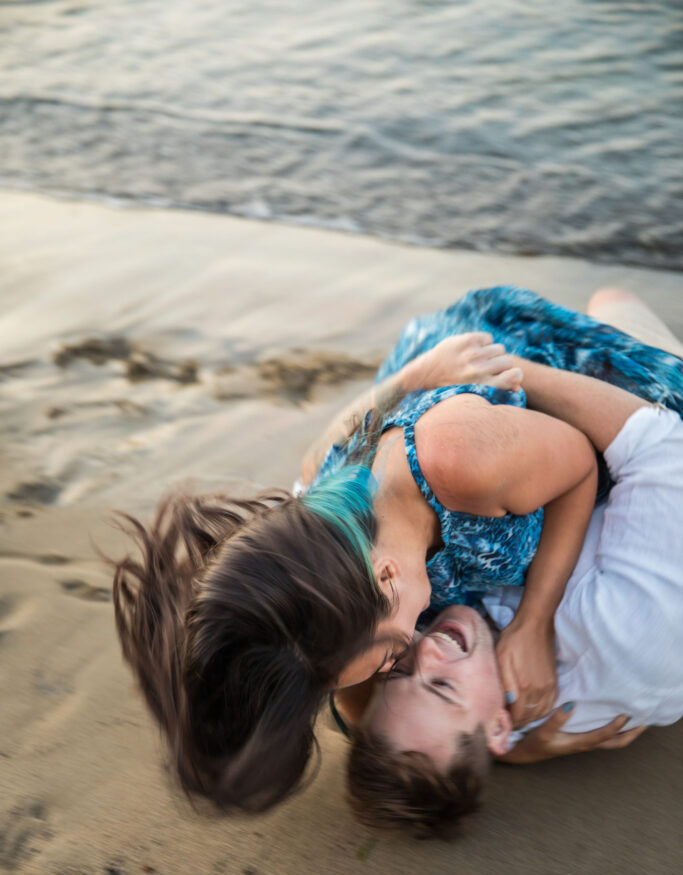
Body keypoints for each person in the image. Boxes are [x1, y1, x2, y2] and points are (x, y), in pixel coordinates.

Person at [110, 286, 683, 814]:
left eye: (391, 659)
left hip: (523, 378)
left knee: (635, 336)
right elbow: (325, 450)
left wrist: (534, 621)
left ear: (386, 579)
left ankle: (621, 312)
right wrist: (407, 379)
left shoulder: (462, 463)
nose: (414, 651)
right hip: (428, 393)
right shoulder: (324, 544)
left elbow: (580, 464)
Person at [345, 353, 683, 838]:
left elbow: (369, 710)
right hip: (655, 428)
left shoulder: (495, 713)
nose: (426, 649)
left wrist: (526, 753)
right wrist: (500, 366)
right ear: (498, 730)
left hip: (564, 467)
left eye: (397, 670)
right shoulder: (624, 632)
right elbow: (662, 442)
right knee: (616, 303)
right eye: (441, 686)